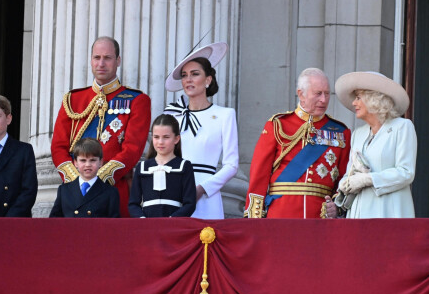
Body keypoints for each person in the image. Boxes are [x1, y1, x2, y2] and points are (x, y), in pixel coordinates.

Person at [51, 36, 151, 217]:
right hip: (75, 193)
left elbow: (133, 149)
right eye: (97, 58)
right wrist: (78, 180)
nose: (101, 63)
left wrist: (99, 179)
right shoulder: (73, 100)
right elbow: (58, 147)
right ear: (91, 61)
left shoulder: (137, 100)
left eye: (108, 57)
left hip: (114, 191)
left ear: (118, 61)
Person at [244, 68, 351, 219]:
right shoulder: (278, 125)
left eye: (327, 94)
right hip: (281, 213)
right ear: (301, 94)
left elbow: (343, 179)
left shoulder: (341, 132)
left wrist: (337, 208)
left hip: (320, 217)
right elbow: (259, 174)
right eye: (318, 93)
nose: (323, 99)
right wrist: (254, 217)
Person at [325, 71, 417, 219]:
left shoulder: (402, 126)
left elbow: (406, 172)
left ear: (374, 99)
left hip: (388, 212)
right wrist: (345, 183)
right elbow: (351, 172)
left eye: (358, 98)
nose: (354, 103)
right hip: (358, 212)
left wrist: (368, 179)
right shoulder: (358, 134)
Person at [164, 42, 238, 219]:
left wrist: (202, 189)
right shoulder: (172, 114)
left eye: (195, 74)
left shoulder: (224, 115)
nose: (188, 79)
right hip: (173, 191)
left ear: (208, 80)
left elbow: (232, 165)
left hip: (206, 196)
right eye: (184, 75)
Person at [128, 114, 196, 218]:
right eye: (156, 137)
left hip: (174, 226)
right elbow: (133, 204)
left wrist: (171, 220)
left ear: (176, 139)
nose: (160, 142)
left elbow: (190, 203)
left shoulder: (184, 166)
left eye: (166, 137)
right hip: (147, 226)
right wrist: (142, 219)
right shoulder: (142, 167)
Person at [50, 138, 119, 218]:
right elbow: (54, 221)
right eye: (83, 160)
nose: (88, 164)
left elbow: (114, 225)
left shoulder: (110, 192)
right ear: (75, 163)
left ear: (100, 162)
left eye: (92, 160)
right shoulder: (64, 190)